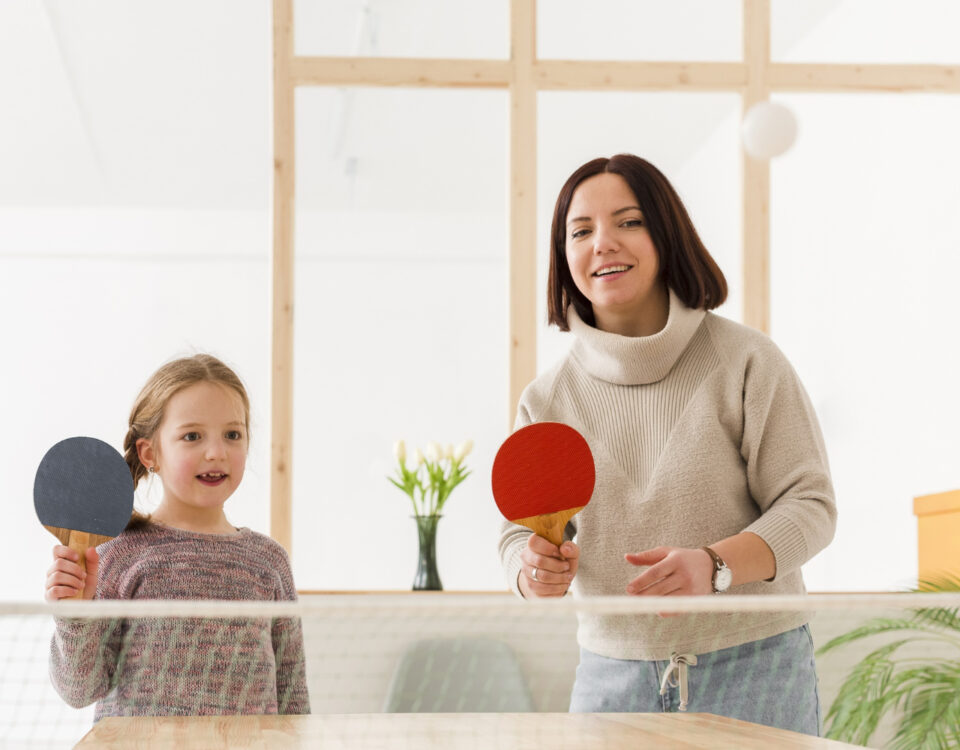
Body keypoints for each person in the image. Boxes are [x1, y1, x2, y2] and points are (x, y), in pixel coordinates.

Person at [497, 154, 836, 735]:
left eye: (628, 222)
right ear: (564, 257)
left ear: (666, 235)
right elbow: (516, 536)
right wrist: (532, 572)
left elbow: (811, 507)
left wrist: (717, 565)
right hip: (611, 679)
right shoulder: (545, 399)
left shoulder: (748, 361)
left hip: (758, 667)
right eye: (580, 231)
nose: (602, 242)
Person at [44, 354, 310, 720]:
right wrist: (73, 615)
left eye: (232, 434)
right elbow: (79, 691)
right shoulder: (116, 556)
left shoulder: (269, 561)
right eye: (192, 436)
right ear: (150, 452)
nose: (216, 452)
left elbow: (294, 700)